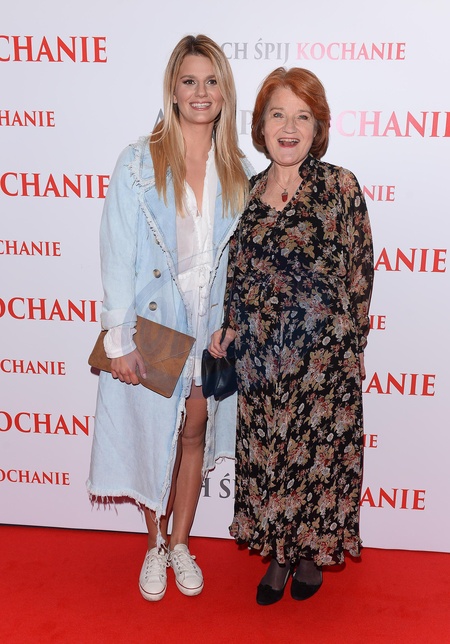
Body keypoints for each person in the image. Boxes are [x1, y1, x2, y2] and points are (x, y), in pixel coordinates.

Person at [87, 34, 252, 602]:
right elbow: (116, 253)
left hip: (209, 331)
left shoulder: (239, 169)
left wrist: (232, 322)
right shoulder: (138, 162)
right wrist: (119, 340)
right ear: (173, 90)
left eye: (211, 81)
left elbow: (241, 263)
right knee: (156, 435)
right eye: (189, 81)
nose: (201, 92)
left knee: (194, 432)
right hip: (155, 327)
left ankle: (181, 543)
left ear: (224, 91)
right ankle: (155, 544)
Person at [209, 67, 374, 605]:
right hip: (263, 358)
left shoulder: (340, 186)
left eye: (302, 117)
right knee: (271, 454)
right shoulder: (247, 191)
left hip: (324, 359)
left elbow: (360, 270)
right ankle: (278, 556)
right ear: (260, 125)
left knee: (318, 457)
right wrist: (230, 324)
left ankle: (307, 554)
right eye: (277, 114)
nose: (289, 127)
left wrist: (353, 343)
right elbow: (239, 269)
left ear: (317, 128)